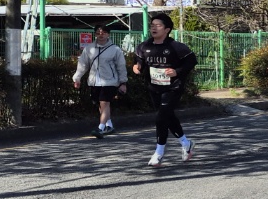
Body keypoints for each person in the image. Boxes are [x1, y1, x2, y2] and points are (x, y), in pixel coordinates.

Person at [132, 12, 197, 167]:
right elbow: (139, 59)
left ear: (167, 29)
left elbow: (191, 61)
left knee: (161, 118)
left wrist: (177, 71)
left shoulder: (176, 47)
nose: (154, 28)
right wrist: (137, 66)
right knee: (168, 117)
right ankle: (186, 144)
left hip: (173, 87)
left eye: (158, 25)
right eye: (152, 25)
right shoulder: (144, 46)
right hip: (154, 87)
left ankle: (159, 152)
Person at [73, 23, 127, 137]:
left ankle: (100, 128)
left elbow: (121, 66)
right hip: (94, 80)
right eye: (98, 33)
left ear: (108, 34)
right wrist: (77, 78)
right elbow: (83, 64)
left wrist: (123, 82)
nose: (100, 35)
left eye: (103, 33)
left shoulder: (115, 49)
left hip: (110, 81)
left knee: (104, 102)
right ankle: (109, 125)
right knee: (100, 104)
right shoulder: (89, 48)